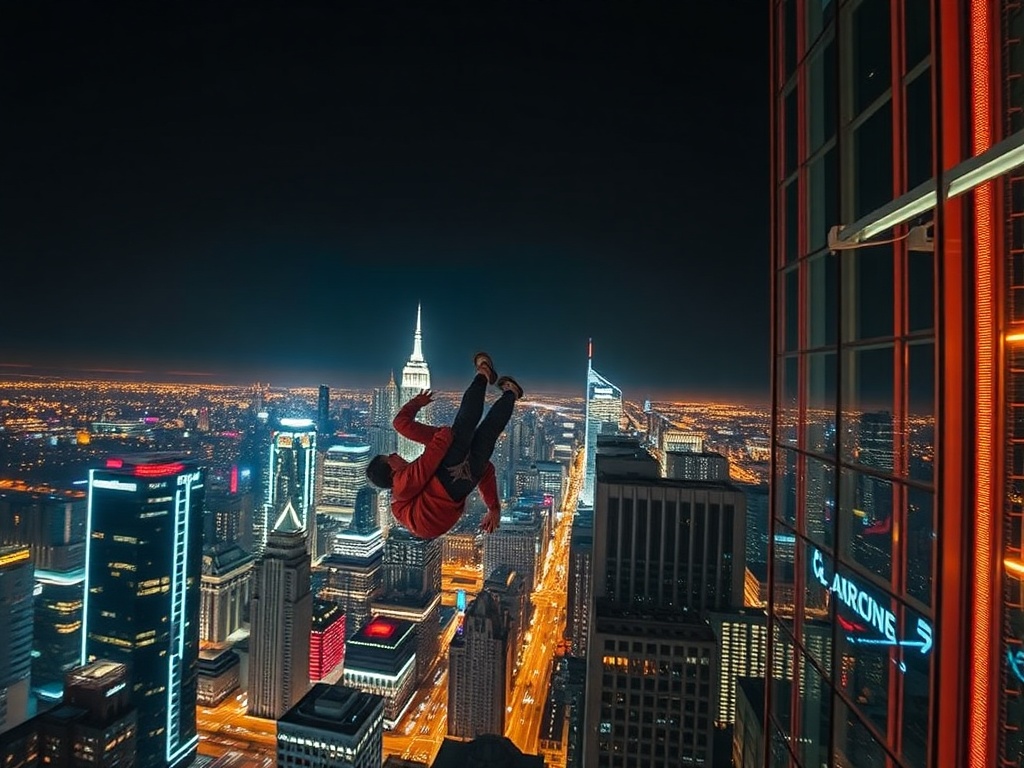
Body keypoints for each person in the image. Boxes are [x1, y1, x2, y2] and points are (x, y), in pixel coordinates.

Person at [365, 352, 523, 539]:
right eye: (391, 457)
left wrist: (493, 508)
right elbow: (428, 455)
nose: (396, 456)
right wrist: (444, 434)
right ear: (390, 469)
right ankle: (483, 372)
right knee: (466, 420)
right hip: (446, 480)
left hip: (459, 488)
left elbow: (485, 472)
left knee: (488, 433)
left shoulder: (402, 500)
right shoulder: (402, 483)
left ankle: (511, 393)